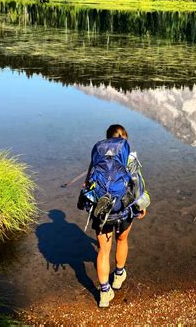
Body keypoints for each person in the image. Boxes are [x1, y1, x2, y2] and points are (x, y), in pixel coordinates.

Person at [82, 124, 147, 308]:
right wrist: (142, 206)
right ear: (124, 139)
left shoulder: (98, 157)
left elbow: (88, 184)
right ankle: (118, 276)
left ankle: (104, 293)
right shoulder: (130, 156)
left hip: (102, 212)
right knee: (122, 240)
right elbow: (137, 185)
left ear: (107, 139)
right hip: (124, 209)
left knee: (103, 250)